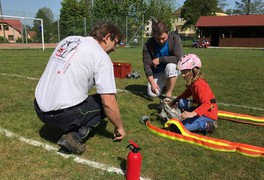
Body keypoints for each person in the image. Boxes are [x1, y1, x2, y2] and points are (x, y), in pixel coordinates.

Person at [34, 22, 125, 155]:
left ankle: (63, 123)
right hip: (61, 115)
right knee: (106, 101)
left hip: (38, 107)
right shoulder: (101, 57)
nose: (115, 48)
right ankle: (75, 137)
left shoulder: (68, 40)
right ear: (107, 37)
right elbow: (108, 102)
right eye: (115, 43)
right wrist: (119, 127)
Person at [170, 54, 218, 133]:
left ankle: (208, 124)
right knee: (181, 101)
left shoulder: (199, 84)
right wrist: (175, 100)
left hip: (208, 113)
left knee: (182, 127)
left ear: (192, 70)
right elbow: (186, 93)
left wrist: (191, 114)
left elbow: (207, 104)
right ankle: (194, 118)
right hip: (199, 106)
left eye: (184, 72)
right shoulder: (193, 82)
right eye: (182, 72)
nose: (182, 75)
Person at [142, 22, 183, 98]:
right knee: (152, 93)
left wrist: (160, 60)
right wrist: (152, 84)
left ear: (167, 33)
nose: (161, 41)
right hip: (158, 72)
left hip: (172, 68)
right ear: (153, 35)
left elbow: (178, 58)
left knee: (170, 67)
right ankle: (165, 85)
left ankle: (168, 93)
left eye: (163, 38)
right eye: (158, 38)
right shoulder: (148, 44)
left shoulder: (175, 39)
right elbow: (147, 65)